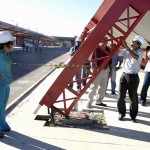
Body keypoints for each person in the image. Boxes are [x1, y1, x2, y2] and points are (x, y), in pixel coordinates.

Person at [117, 35, 144, 122]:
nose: (132, 42)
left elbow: (135, 57)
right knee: (121, 96)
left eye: (134, 41)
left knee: (133, 98)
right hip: (124, 76)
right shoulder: (126, 50)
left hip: (133, 77)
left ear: (139, 44)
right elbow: (117, 52)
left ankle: (133, 116)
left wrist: (127, 47)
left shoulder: (140, 52)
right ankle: (121, 113)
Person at [86, 37, 112, 108]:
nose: (105, 42)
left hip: (105, 70)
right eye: (104, 40)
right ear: (101, 41)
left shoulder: (108, 49)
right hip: (97, 70)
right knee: (94, 86)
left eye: (106, 41)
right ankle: (89, 102)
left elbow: (110, 62)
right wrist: (94, 69)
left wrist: (111, 71)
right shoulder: (96, 49)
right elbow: (93, 60)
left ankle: (99, 101)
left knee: (103, 87)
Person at [0, 31, 15, 135]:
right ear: (5, 44)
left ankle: (2, 124)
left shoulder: (5, 54)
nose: (13, 45)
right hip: (0, 84)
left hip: (6, 83)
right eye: (12, 43)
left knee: (3, 106)